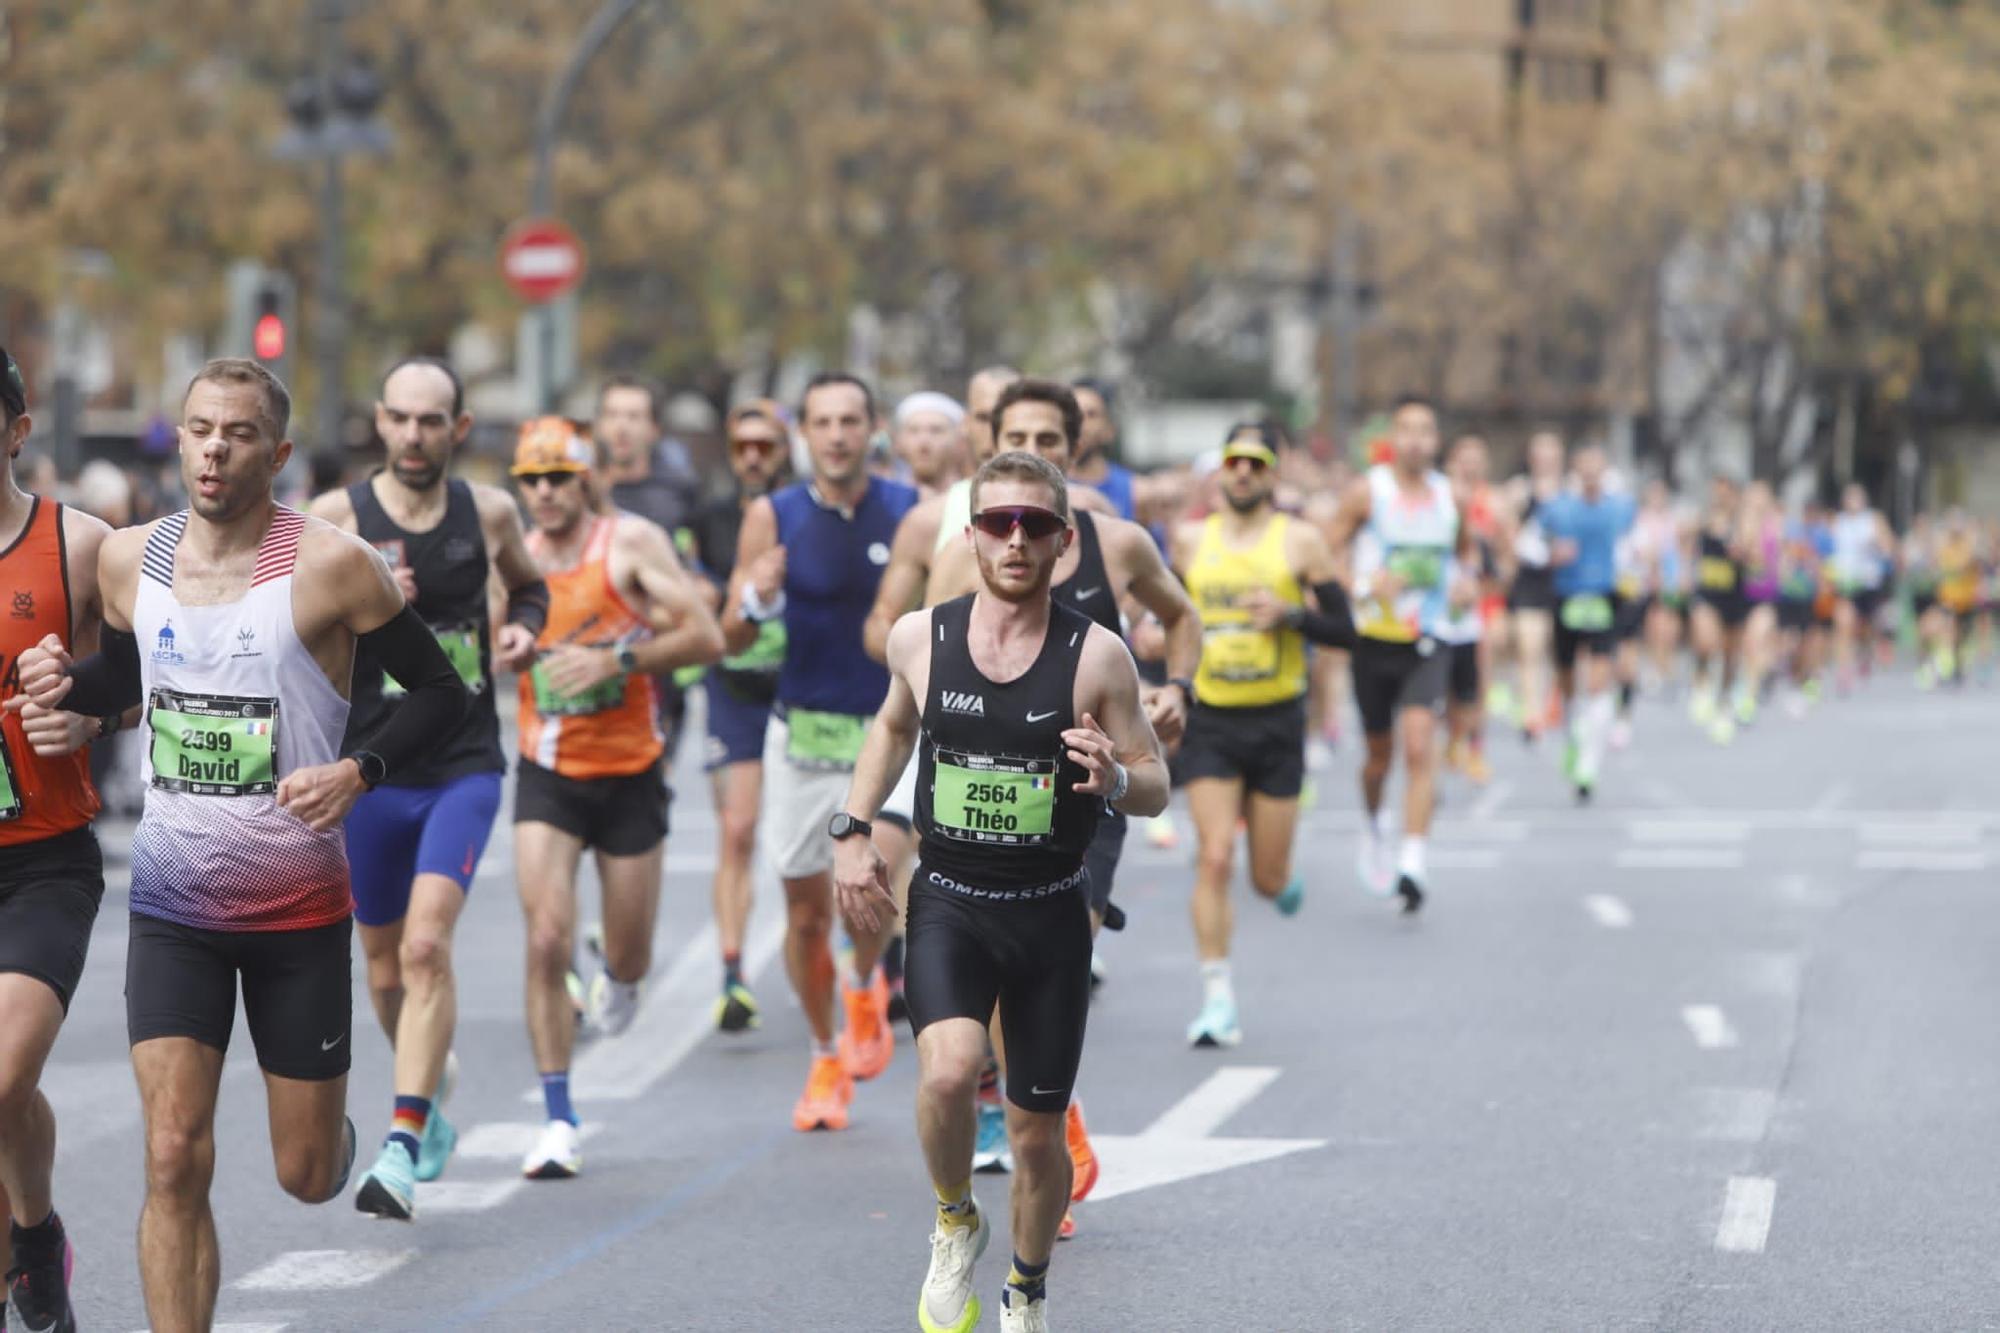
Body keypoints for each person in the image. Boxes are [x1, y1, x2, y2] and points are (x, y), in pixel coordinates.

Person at [14, 359, 470, 1332]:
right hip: (174, 904)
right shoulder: (131, 558)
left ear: (279, 452)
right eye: (198, 429)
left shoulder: (333, 564)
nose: (214, 448)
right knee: (173, 1152)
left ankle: (336, 1137)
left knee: (304, 1176)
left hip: (298, 908)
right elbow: (131, 677)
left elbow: (441, 693)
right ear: (176, 438)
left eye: (238, 433)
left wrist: (358, 772)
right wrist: (70, 689)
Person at [833, 449, 1168, 1333]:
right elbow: (892, 727)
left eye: (1035, 525)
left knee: (1033, 1133)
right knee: (946, 1072)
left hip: (1051, 909)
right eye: (997, 522)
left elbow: (1156, 777)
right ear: (972, 533)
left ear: (1064, 541)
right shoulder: (923, 637)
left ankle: (1026, 1287)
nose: (1015, 540)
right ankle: (953, 1220)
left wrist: (1118, 783)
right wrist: (852, 831)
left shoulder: (1098, 657)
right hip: (949, 896)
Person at [927, 379, 1198, 1223]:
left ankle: (1036, 1115)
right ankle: (1037, 1113)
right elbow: (917, 675)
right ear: (991, 443)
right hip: (981, 801)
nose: (1037, 447)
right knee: (995, 967)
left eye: (1052, 436)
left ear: (1075, 451)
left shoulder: (1117, 544)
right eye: (1019, 434)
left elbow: (1182, 617)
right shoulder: (958, 553)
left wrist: (1173, 689)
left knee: (1058, 939)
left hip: (1088, 793)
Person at [306, 358, 549, 1220]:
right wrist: (361, 601)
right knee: (380, 967)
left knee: (424, 948)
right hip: (367, 769)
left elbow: (528, 583)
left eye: (431, 420)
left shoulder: (487, 511)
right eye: (401, 419)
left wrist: (522, 626)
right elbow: (290, 629)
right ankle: (431, 1083)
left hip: (462, 761)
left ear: (459, 428)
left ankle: (402, 1141)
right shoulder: (334, 521)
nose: (414, 435)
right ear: (380, 422)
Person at [509, 416, 724, 1178]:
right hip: (548, 773)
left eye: (559, 478)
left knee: (629, 957)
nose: (544, 493)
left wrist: (616, 661)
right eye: (531, 479)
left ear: (587, 479)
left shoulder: (629, 544)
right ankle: (559, 1115)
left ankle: (623, 974)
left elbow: (706, 637)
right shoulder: (517, 558)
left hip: (631, 772)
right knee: (544, 937)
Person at [723, 373, 919, 1132]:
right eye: (822, 422)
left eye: (850, 421)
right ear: (802, 433)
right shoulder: (771, 515)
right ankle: (824, 1050)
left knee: (874, 870)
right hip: (803, 729)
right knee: (806, 917)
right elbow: (730, 639)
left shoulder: (908, 511)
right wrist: (753, 600)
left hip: (891, 726)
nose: (836, 435)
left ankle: (866, 979)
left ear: (872, 429)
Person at [0, 347, 119, 1333]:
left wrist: (86, 712)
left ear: (16, 429)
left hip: (43, 859)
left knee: (1, 1076)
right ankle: (31, 1245)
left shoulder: (79, 544)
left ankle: (32, 1234)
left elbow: (156, 673)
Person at [1173, 423, 1350, 1042]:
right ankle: (1217, 995)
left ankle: (1282, 876)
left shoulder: (1301, 542)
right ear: (1220, 471)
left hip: (1277, 720)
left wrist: (1292, 616)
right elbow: (1165, 614)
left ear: (1273, 474)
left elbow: (1346, 629)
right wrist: (1155, 642)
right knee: (1215, 855)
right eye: (1233, 461)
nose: (1242, 472)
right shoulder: (1191, 541)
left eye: (1255, 462)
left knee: (1265, 880)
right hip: (1213, 719)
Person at [1329, 394, 1469, 915]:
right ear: (1393, 438)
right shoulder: (1370, 491)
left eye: (1425, 430)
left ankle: (1413, 859)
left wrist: (1465, 586)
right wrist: (1363, 584)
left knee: (1418, 747)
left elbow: (1468, 556)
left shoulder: (1450, 495)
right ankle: (1374, 826)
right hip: (1374, 639)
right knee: (1379, 758)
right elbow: (1328, 553)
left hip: (1428, 637)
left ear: (1436, 440)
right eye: (1405, 429)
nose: (1415, 440)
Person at [684, 399, 791, 1030]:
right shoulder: (710, 519)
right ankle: (732, 972)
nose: (753, 457)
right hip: (734, 691)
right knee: (739, 831)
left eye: (765, 446)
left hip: (803, 691)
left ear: (784, 449)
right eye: (742, 446)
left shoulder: (807, 514)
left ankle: (872, 961)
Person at [595, 375, 705, 758]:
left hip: (656, 667)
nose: (621, 426)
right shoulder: (575, 490)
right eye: (612, 415)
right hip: (586, 654)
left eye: (634, 416)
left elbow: (699, 578)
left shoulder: (679, 492)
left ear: (654, 428)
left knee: (650, 789)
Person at [1541, 446, 1636, 801]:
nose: (1592, 474)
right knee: (1567, 681)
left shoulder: (1621, 508)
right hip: (1566, 597)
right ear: (1577, 471)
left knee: (1598, 681)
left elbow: (1634, 544)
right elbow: (1529, 544)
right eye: (1586, 468)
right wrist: (1551, 554)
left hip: (1604, 598)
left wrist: (1634, 566)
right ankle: (1572, 729)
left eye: (1598, 467)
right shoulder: (1558, 507)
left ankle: (1588, 764)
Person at [1504, 431, 1566, 741]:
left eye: (1551, 453)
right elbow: (1506, 531)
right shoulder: (1519, 491)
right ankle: (1531, 712)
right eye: (1540, 453)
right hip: (1529, 579)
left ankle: (1554, 699)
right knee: (1529, 647)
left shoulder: (1570, 492)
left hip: (1564, 580)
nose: (1545, 460)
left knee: (1559, 649)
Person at [1688, 477, 1748, 743]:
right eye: (1716, 493)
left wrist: (1740, 548)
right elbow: (1686, 540)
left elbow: (1751, 554)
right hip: (1707, 593)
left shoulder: (1743, 522)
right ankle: (1701, 682)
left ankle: (1724, 702)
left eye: (1725, 493)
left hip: (1734, 595)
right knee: (1705, 640)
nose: (1720, 498)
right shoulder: (1704, 519)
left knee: (1730, 654)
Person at [1827, 483, 1893, 693]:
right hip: (1846, 584)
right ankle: (1844, 670)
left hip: (1868, 582)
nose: (1853, 503)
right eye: (1849, 498)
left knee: (1865, 627)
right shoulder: (1838, 522)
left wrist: (1878, 544)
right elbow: (1829, 550)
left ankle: (1865, 652)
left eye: (1857, 498)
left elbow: (1888, 546)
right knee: (1844, 624)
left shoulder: (1873, 520)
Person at [894, 391, 970, 499]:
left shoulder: (971, 499)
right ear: (899, 441)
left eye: (936, 430)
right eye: (914, 431)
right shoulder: (885, 503)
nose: (924, 441)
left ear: (959, 442)